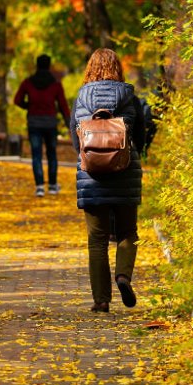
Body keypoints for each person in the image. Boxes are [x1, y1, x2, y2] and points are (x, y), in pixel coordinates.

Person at [69, 48, 143, 313]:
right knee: (127, 232)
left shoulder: (81, 97)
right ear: (117, 67)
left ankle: (101, 300)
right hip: (125, 170)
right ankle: (123, 275)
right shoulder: (129, 95)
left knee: (97, 240)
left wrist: (88, 158)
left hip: (92, 175)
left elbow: (73, 135)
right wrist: (136, 153)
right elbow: (141, 133)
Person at [13, 54, 70, 196]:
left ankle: (39, 186)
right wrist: (68, 122)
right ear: (49, 66)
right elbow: (63, 105)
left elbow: (17, 100)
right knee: (52, 154)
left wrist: (28, 106)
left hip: (34, 123)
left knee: (36, 155)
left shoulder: (28, 82)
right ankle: (52, 185)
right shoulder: (56, 84)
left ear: (37, 65)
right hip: (50, 123)